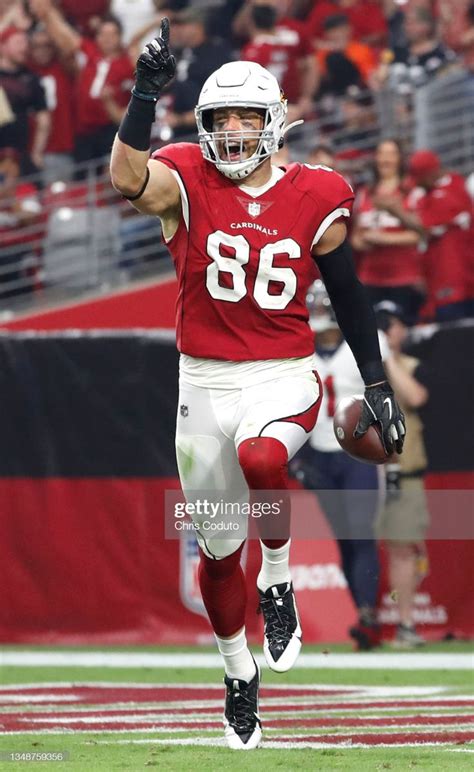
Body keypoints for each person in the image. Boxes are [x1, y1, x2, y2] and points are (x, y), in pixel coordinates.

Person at [110, 18, 405, 751]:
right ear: (203, 125)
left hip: (282, 373)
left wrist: (378, 384)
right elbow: (125, 179)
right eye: (221, 118)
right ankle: (238, 673)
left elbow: (350, 295)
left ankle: (278, 580)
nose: (234, 131)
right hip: (203, 382)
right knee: (215, 549)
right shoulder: (183, 175)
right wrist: (144, 97)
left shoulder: (318, 194)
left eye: (247, 117)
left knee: (264, 459)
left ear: (274, 123)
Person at [290, 281, 388, 651]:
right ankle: (364, 614)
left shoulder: (364, 342)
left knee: (361, 532)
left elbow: (386, 392)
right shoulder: (300, 350)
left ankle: (367, 615)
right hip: (319, 453)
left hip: (359, 452)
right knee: (345, 539)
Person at [374, 300, 430, 648]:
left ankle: (405, 624)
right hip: (365, 473)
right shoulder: (355, 367)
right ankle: (362, 622)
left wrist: (387, 359)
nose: (403, 331)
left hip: (402, 474)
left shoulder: (407, 363)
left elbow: (415, 396)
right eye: (396, 326)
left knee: (402, 549)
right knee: (356, 548)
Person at [376, 149, 472, 321]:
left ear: (430, 174)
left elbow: (423, 226)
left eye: (419, 178)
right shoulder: (434, 190)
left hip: (456, 280)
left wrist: (395, 210)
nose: (418, 184)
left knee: (455, 332)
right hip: (438, 278)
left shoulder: (449, 191)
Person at [350, 138, 424, 324]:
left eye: (391, 154)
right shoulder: (365, 193)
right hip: (370, 278)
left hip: (404, 279)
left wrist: (381, 238)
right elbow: (355, 238)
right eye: (381, 154)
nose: (385, 159)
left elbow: (420, 234)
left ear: (400, 159)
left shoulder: (411, 191)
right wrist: (363, 240)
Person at [0, 26, 50, 173]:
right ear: (3, 47)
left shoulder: (31, 78)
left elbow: (43, 119)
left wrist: (37, 152)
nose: (24, 48)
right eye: (18, 43)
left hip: (21, 155)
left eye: (25, 43)